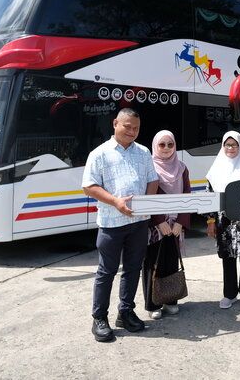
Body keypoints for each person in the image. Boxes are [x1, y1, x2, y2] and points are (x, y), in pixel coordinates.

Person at [82, 108, 159, 342]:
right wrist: (116, 201)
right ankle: (99, 318)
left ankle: (125, 312)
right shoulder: (99, 154)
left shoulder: (144, 152)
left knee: (133, 268)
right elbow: (89, 186)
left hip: (138, 223)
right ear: (115, 123)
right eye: (127, 126)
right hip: (111, 224)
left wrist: (145, 204)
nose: (132, 132)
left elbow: (152, 180)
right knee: (106, 271)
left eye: (136, 128)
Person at [205, 131, 240, 309]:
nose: (231, 148)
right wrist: (210, 222)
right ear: (223, 146)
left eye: (234, 145)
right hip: (224, 222)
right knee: (228, 257)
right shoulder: (215, 170)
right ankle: (229, 294)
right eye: (227, 145)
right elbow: (210, 198)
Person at [142, 130, 191, 320]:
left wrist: (180, 222)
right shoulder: (149, 167)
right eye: (162, 144)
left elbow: (187, 196)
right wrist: (159, 221)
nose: (166, 148)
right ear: (155, 146)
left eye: (170, 144)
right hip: (155, 227)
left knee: (171, 261)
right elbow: (147, 197)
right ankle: (153, 303)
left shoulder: (182, 168)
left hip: (175, 226)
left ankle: (170, 299)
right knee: (153, 263)